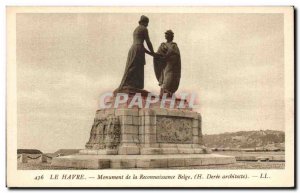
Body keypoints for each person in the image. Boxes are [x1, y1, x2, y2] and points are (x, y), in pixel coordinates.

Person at [115, 15, 156, 94]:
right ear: (144, 22)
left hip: (133, 48)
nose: (147, 25)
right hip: (138, 49)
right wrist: (153, 52)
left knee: (132, 66)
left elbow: (141, 45)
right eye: (147, 23)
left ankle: (131, 84)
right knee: (135, 67)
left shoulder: (136, 29)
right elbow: (148, 42)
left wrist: (151, 54)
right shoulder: (144, 29)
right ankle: (129, 84)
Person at [154, 30, 181, 97]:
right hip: (164, 65)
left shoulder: (174, 45)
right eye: (166, 34)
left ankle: (166, 93)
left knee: (169, 77)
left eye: (168, 34)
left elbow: (177, 55)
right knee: (164, 78)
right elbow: (158, 54)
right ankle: (164, 93)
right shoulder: (163, 45)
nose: (166, 35)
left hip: (171, 65)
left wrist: (168, 56)